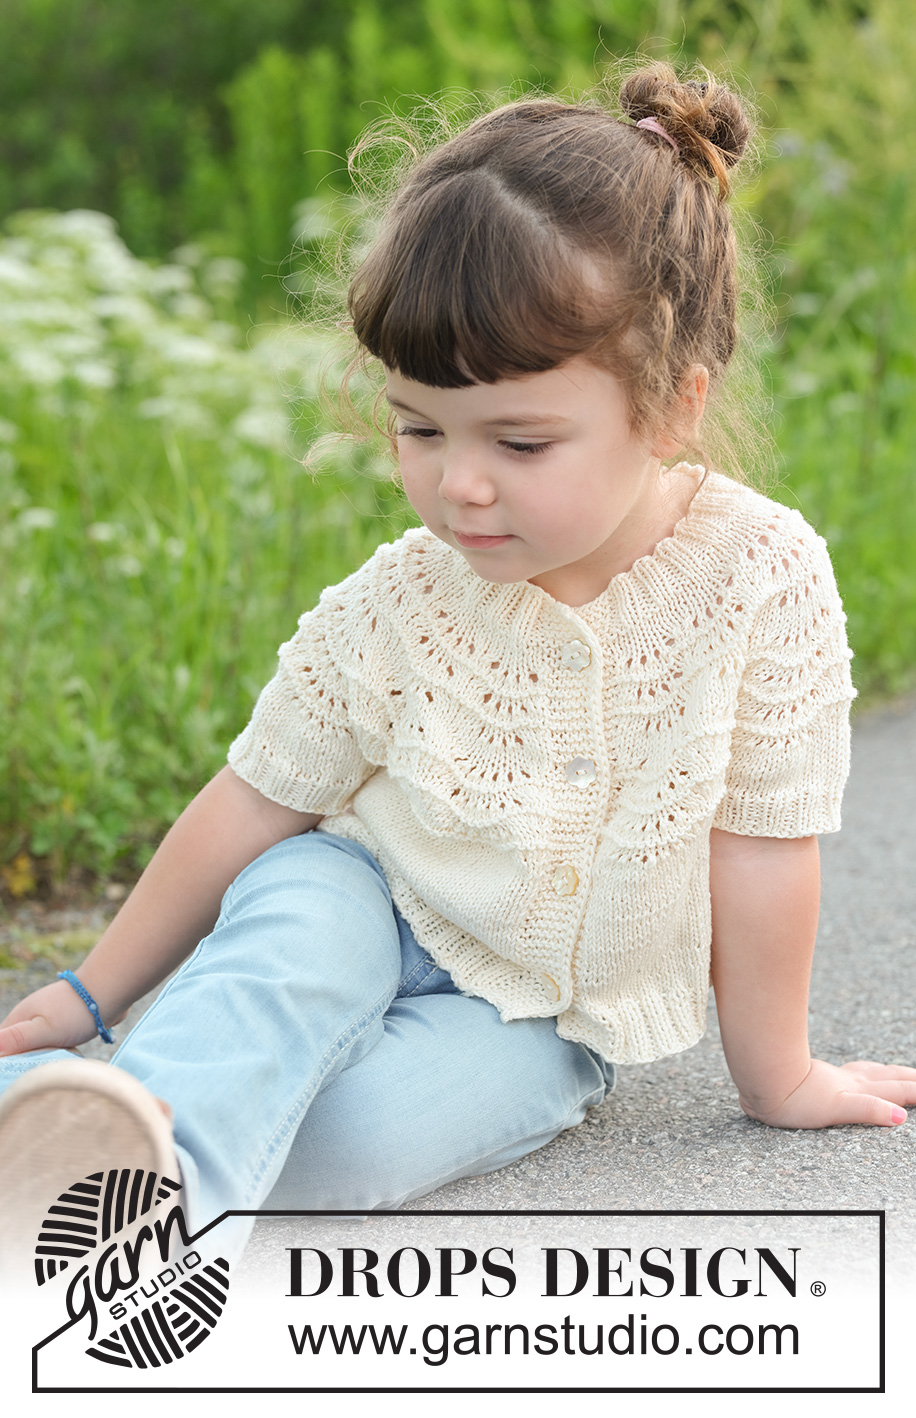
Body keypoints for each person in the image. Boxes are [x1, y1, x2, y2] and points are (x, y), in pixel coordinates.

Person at [2, 63, 915, 1270]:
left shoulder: (763, 580)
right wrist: (88, 993)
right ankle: (99, 1220)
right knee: (287, 954)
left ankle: (107, 1116)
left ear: (672, 405)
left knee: (339, 1150)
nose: (457, 483)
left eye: (519, 440)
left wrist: (779, 1072)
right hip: (364, 894)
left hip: (541, 1011)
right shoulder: (401, 600)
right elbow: (258, 796)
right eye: (418, 427)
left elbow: (761, 847)